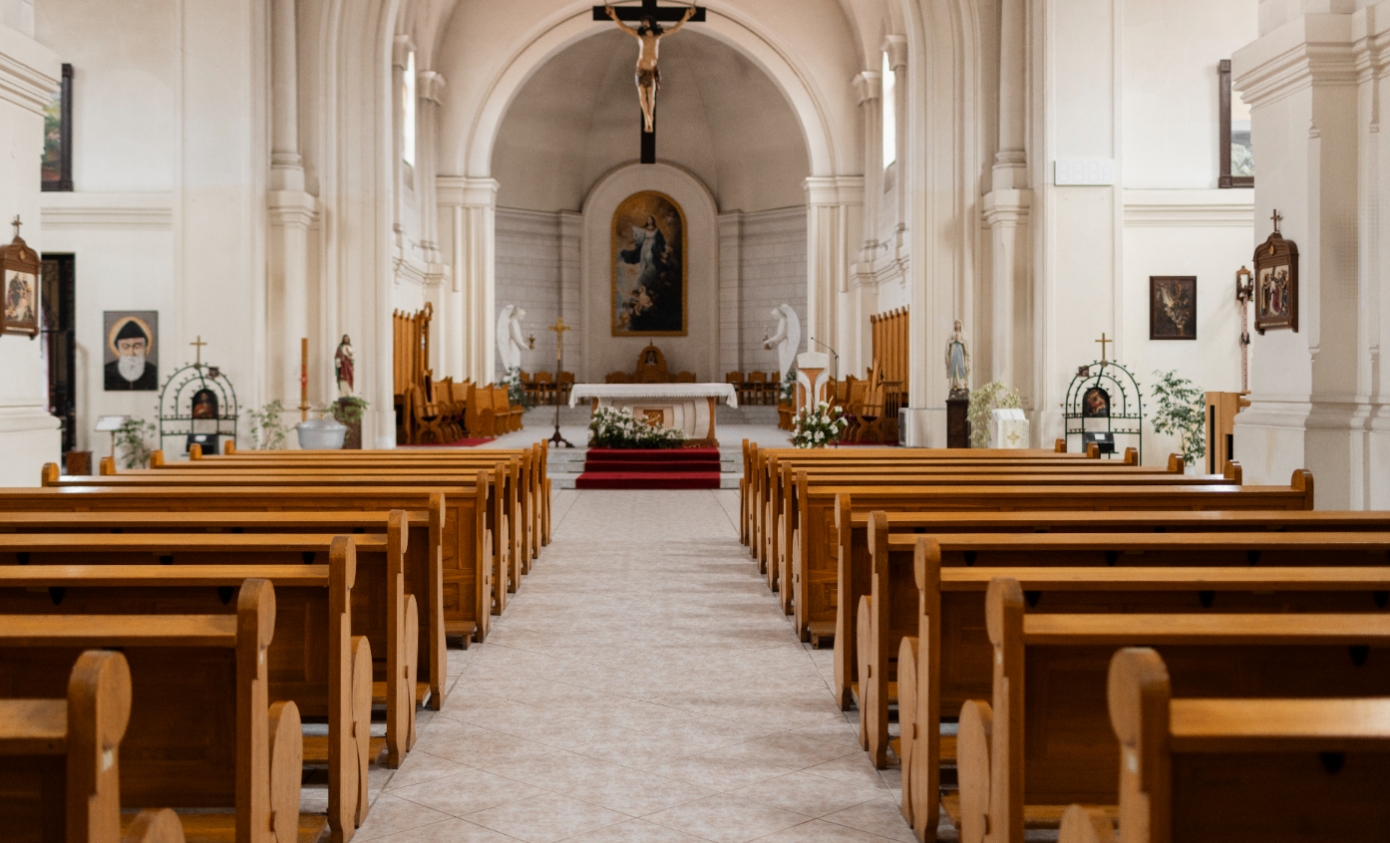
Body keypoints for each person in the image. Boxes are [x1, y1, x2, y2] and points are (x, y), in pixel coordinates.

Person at [605, 4, 696, 132]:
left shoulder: (658, 35)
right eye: (643, 22)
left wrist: (686, 17)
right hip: (641, 68)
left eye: (646, 21)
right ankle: (647, 118)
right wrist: (614, 16)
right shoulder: (639, 35)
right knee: (642, 95)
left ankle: (650, 117)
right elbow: (624, 28)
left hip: (652, 69)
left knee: (651, 95)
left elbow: (675, 29)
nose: (644, 23)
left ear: (652, 23)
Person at [104, 318, 158, 391]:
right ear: (118, 349)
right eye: (125, 347)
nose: (131, 353)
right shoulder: (106, 372)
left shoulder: (154, 372)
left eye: (137, 346)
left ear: (145, 348)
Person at [945, 319, 970, 396]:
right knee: (953, 368)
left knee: (960, 367)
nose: (957, 325)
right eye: (955, 323)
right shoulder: (952, 334)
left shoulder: (963, 334)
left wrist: (960, 341)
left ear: (960, 325)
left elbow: (966, 343)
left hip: (960, 352)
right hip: (953, 352)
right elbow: (948, 342)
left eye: (958, 323)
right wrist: (952, 341)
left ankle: (961, 384)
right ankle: (954, 385)